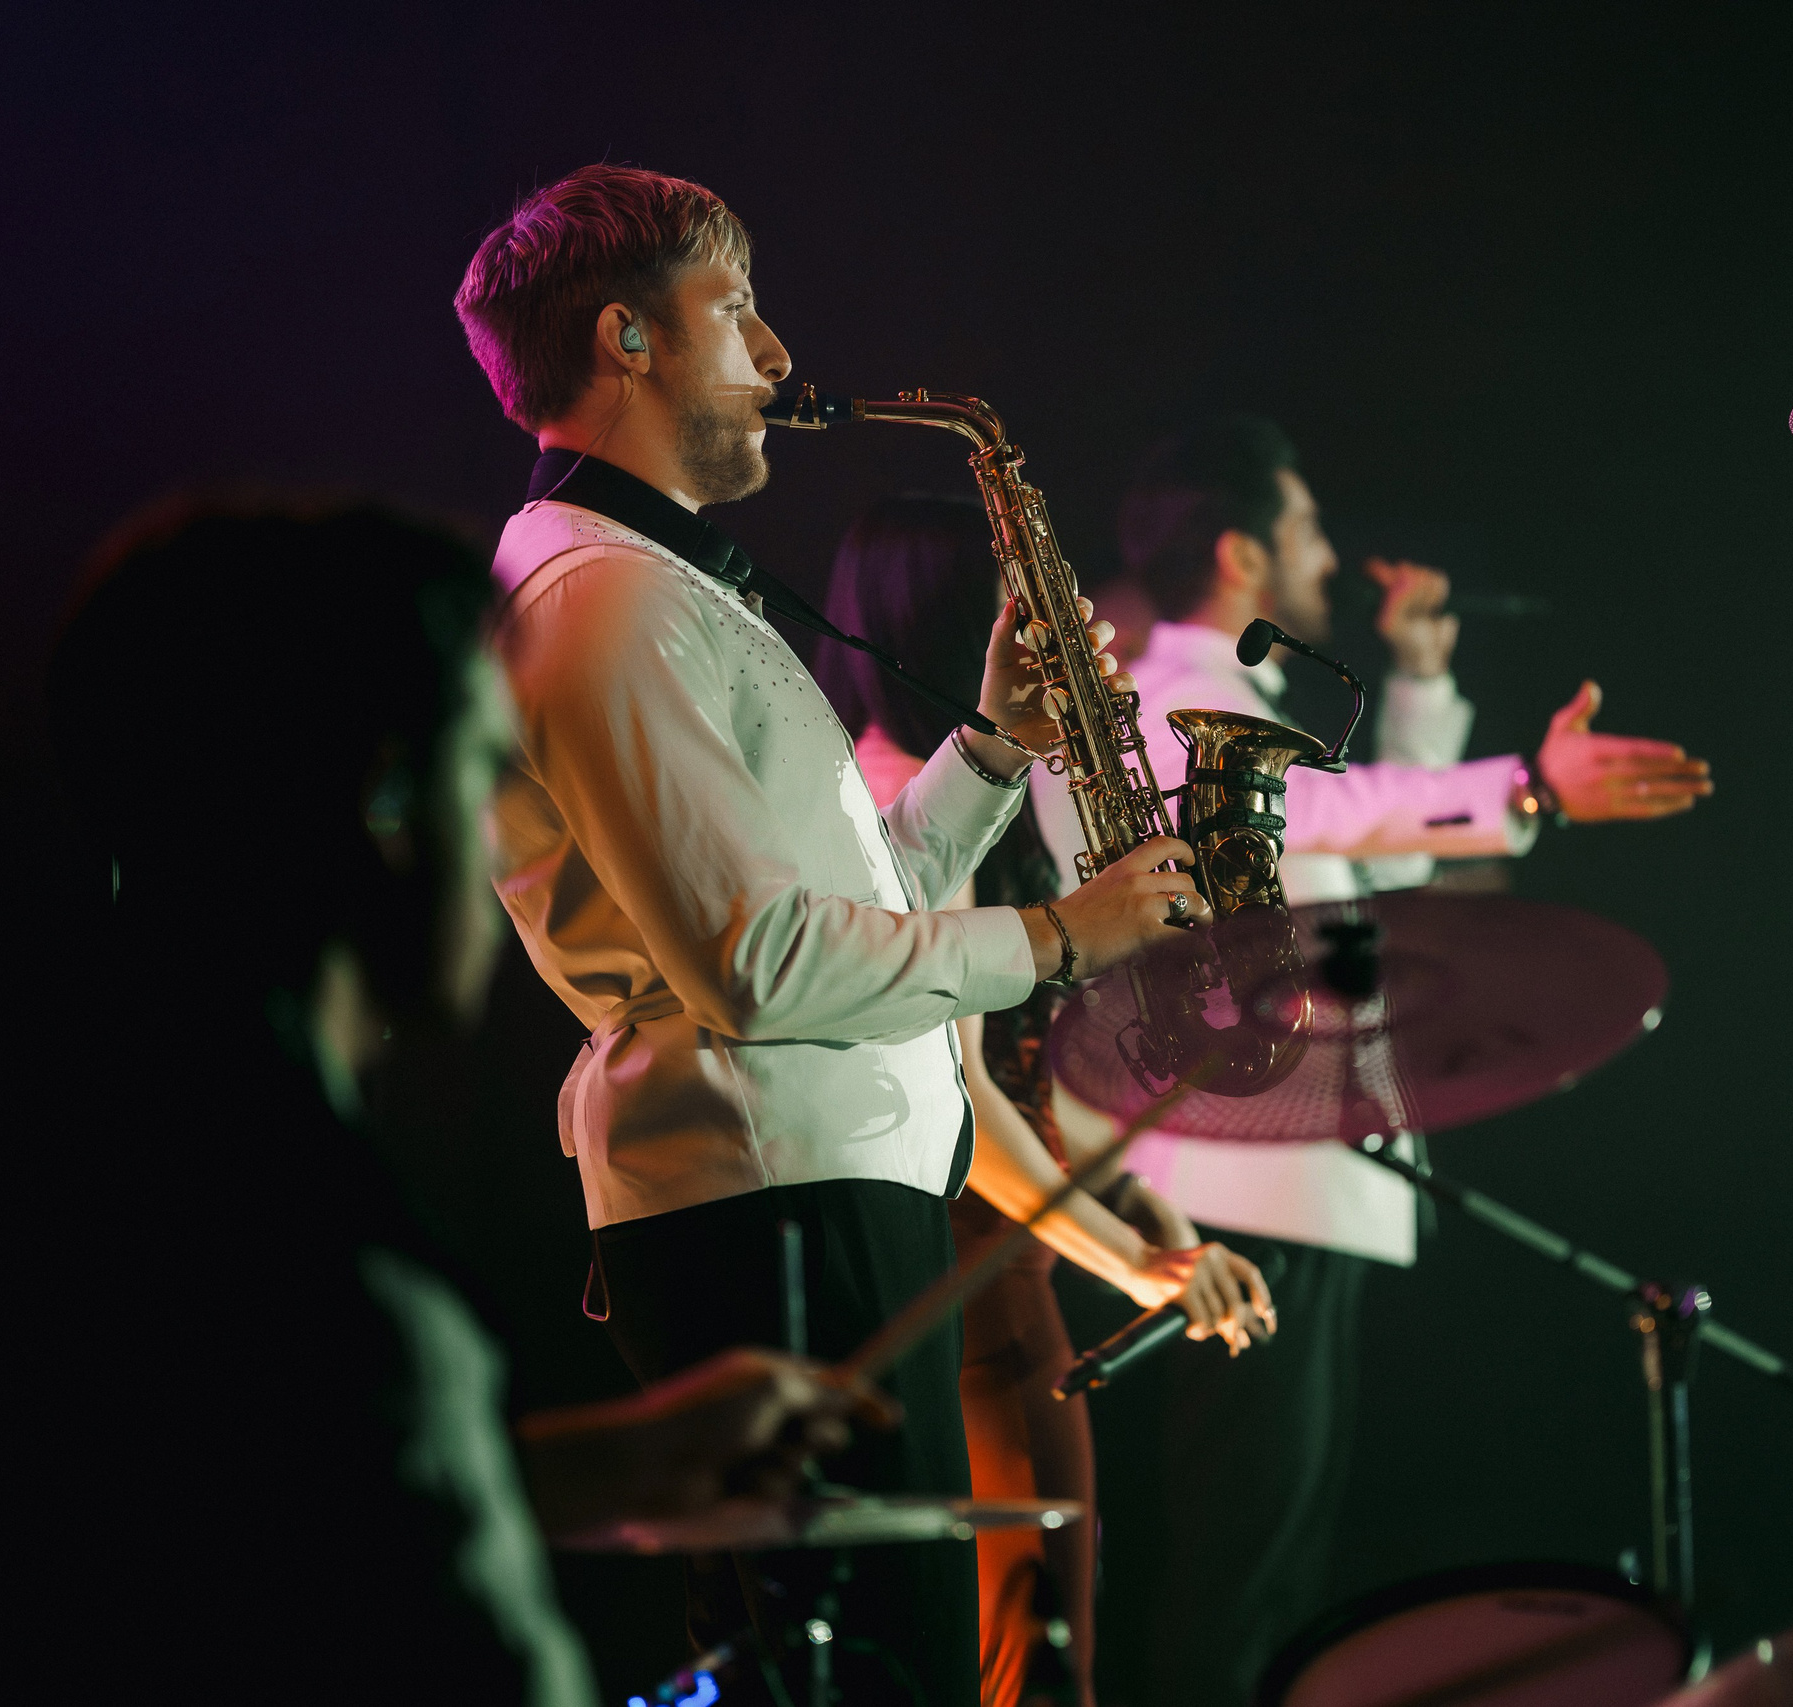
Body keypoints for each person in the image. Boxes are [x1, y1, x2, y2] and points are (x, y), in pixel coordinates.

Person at [451, 166, 1213, 1705]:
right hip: (769, 1199)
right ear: (628, 338)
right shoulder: (604, 601)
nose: (781, 353)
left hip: (811, 1181)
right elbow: (764, 973)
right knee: (869, 1676)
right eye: (735, 307)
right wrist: (1062, 938)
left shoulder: (651, 587)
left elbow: (824, 916)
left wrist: (991, 754)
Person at [36, 498, 891, 1704]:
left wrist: (624, 1464)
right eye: (487, 769)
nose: (506, 833)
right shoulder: (294, 1235)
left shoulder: (127, 1135)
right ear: (386, 804)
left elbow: (296, 1505)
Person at [1033, 416, 1713, 1706]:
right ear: (1239, 552)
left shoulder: (1240, 703)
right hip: (1235, 1193)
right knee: (1229, 1581)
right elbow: (1336, 813)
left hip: (1288, 1185)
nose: (1327, 553)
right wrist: (1531, 783)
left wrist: (1415, 682)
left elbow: (1385, 879)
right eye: (1302, 527)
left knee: (1265, 1573)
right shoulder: (1170, 699)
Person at [818, 494, 1278, 1706]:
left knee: (1040, 1635)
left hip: (1005, 1262)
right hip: (975, 1264)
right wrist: (1137, 1265)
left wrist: (1151, 1221)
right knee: (1037, 1655)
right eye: (1032, 611)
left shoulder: (959, 781)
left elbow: (1020, 1073)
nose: (1075, 644)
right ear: (963, 620)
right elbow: (966, 1106)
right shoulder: (897, 795)